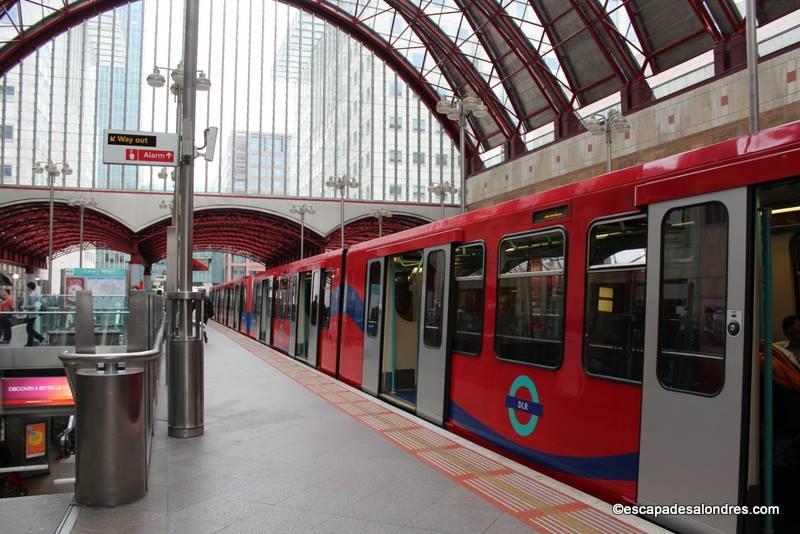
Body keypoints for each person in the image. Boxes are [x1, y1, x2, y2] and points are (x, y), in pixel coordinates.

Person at [23, 282, 44, 347]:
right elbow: (38, 304)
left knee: (29, 328)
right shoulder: (36, 294)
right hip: (34, 313)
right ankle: (30, 342)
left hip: (31, 314)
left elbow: (34, 306)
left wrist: (26, 307)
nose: (26, 288)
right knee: (29, 328)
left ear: (29, 287)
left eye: (27, 287)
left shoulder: (31, 295)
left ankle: (40, 338)